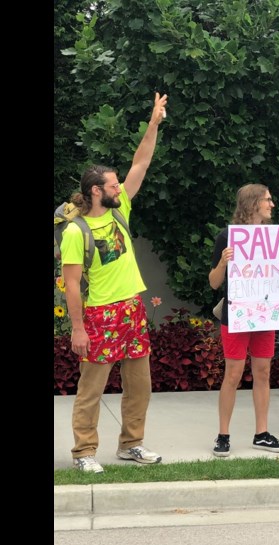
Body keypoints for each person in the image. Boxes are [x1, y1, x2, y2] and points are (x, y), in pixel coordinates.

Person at [61, 92, 168, 473]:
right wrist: (77, 328)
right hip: (99, 314)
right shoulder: (77, 231)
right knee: (91, 389)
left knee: (140, 386)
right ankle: (84, 452)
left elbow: (141, 163)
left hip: (131, 309)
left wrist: (153, 123)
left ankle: (132, 445)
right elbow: (71, 285)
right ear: (95, 191)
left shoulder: (120, 208)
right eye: (112, 185)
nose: (119, 188)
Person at [209, 184, 279, 457]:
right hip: (237, 314)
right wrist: (222, 262)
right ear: (254, 203)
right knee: (232, 374)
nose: (272, 205)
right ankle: (223, 434)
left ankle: (262, 433)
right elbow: (213, 283)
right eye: (268, 200)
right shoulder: (227, 237)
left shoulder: (276, 238)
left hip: (265, 315)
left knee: (263, 373)